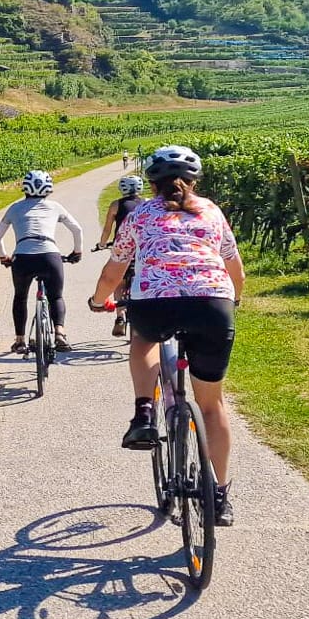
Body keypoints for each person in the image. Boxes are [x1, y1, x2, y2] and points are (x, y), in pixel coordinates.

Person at [88, 144, 244, 527]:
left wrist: (97, 301)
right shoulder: (211, 211)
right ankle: (219, 496)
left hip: (155, 304)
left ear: (152, 183)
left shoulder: (140, 214)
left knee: (144, 340)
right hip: (212, 305)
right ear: (194, 181)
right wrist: (233, 301)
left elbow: (114, 269)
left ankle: (144, 412)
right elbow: (234, 266)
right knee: (212, 406)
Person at [0, 169, 84, 354]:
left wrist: (3, 256)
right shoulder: (56, 207)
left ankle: (20, 341)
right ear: (49, 190)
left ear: (24, 188)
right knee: (56, 296)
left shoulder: (14, 207)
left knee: (20, 297)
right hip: (50, 256)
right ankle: (59, 334)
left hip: (22, 258)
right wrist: (77, 252)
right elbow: (77, 229)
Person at [94, 174, 146, 338]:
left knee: (119, 282)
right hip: (141, 249)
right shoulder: (146, 204)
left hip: (123, 248)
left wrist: (102, 244)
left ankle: (120, 316)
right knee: (141, 279)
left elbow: (108, 229)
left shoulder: (116, 205)